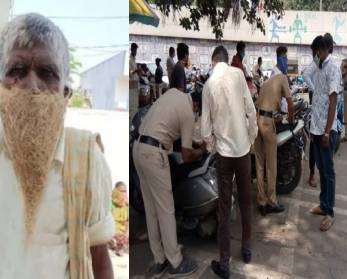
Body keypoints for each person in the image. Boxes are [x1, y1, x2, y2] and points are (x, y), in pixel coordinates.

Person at [0, 14, 115, 279]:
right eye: (17, 71)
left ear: (65, 93)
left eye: (47, 73)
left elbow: (99, 260)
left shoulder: (86, 158)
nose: (32, 87)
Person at [133, 87, 206, 278]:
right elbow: (187, 155)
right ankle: (175, 262)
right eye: (199, 111)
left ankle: (160, 259)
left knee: (152, 210)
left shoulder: (174, 93)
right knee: (166, 210)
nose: (197, 114)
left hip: (138, 148)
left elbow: (170, 127)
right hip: (154, 154)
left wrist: (195, 143)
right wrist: (201, 151)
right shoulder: (189, 114)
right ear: (197, 105)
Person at [202, 46, 258, 279]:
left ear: (214, 61)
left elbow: (205, 129)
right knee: (245, 202)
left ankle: (224, 261)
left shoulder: (208, 85)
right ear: (227, 59)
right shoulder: (238, 75)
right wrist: (250, 138)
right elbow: (251, 112)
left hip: (224, 154)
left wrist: (212, 147)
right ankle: (246, 248)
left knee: (224, 208)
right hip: (242, 151)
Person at [309, 34, 340, 232]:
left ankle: (330, 212)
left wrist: (328, 132)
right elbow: (317, 99)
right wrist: (314, 129)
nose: (316, 55)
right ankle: (323, 204)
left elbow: (332, 101)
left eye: (317, 52)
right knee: (321, 168)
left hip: (327, 130)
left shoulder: (332, 68)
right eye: (315, 52)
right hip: (317, 127)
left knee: (328, 172)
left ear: (324, 50)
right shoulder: (319, 68)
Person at [255, 71, 294, 217]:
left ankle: (261, 201)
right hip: (267, 123)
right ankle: (271, 201)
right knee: (271, 164)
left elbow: (274, 105)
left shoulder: (268, 82)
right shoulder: (283, 78)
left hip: (257, 118)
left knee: (259, 162)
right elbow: (290, 103)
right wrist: (291, 121)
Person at [304, 36, 323, 187]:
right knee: (314, 142)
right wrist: (315, 90)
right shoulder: (316, 62)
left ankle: (318, 172)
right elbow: (306, 75)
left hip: (324, 108)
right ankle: (311, 174)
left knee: (322, 142)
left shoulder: (325, 64)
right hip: (315, 107)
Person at [109, 182, 129, 256]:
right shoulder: (109, 204)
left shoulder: (126, 205)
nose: (123, 194)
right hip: (113, 232)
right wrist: (114, 233)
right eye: (121, 191)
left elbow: (127, 222)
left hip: (123, 233)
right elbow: (108, 223)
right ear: (116, 191)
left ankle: (120, 247)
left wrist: (126, 234)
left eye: (125, 191)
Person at [130, 42, 140, 121]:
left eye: (136, 50)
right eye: (135, 50)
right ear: (132, 49)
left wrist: (138, 72)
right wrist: (136, 70)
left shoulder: (134, 60)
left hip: (135, 85)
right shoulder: (129, 60)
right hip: (131, 86)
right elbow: (130, 73)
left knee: (135, 106)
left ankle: (132, 125)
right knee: (133, 108)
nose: (136, 52)